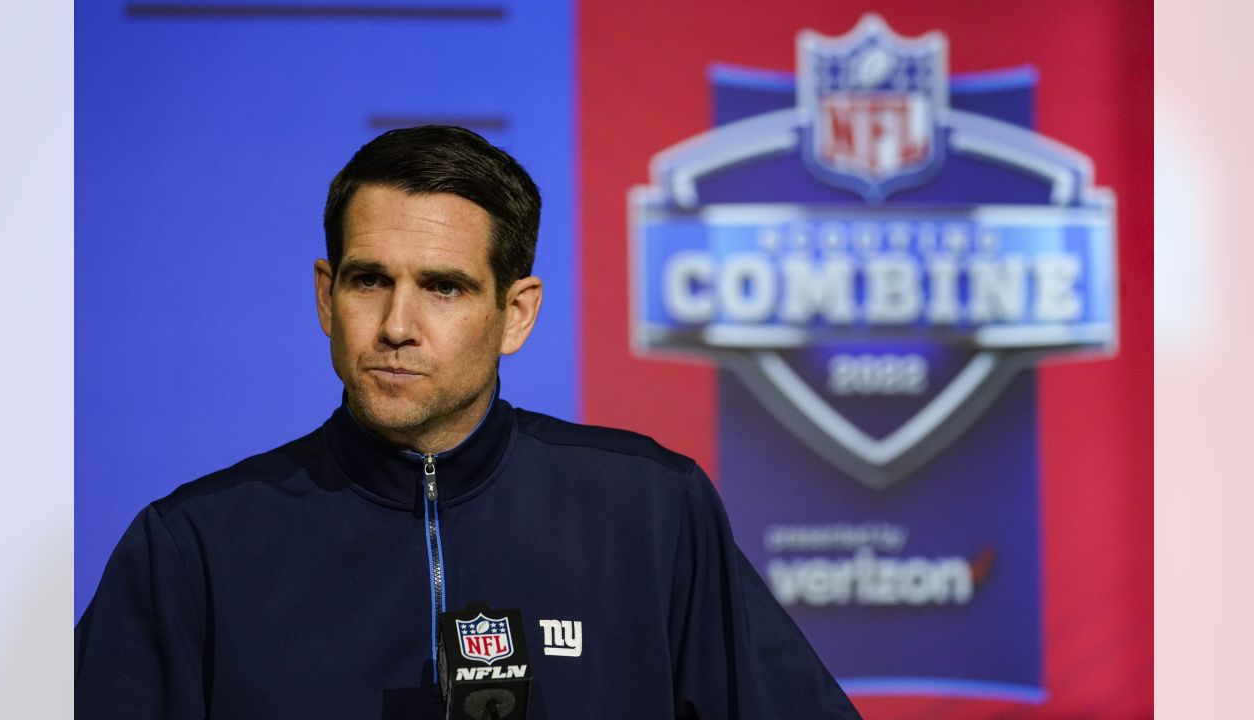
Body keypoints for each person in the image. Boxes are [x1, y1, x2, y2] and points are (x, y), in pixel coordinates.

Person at [75, 126, 861, 719]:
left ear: (515, 313)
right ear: (326, 296)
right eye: (368, 280)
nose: (395, 325)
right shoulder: (193, 547)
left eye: (443, 288)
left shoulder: (652, 510)